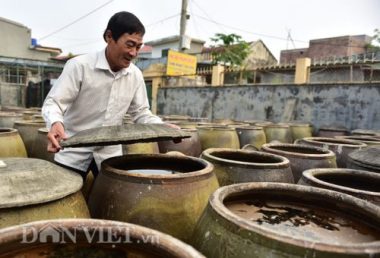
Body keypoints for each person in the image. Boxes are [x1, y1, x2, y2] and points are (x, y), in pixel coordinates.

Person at [42, 11, 177, 180]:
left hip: (109, 155)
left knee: (111, 203)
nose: (134, 53)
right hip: (72, 152)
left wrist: (161, 127)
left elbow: (141, 113)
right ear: (109, 37)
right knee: (65, 202)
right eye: (129, 44)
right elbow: (54, 102)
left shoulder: (135, 75)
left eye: (138, 47)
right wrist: (55, 123)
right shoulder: (79, 66)